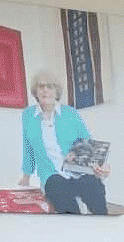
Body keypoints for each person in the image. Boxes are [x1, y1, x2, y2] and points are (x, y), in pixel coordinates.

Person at [18, 69, 110, 214]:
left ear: (57, 92)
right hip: (52, 175)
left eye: (50, 86)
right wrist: (26, 177)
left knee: (94, 185)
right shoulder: (28, 116)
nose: (45, 90)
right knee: (58, 189)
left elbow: (88, 144)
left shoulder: (70, 113)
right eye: (41, 86)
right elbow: (28, 147)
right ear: (35, 91)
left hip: (76, 172)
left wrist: (99, 166)